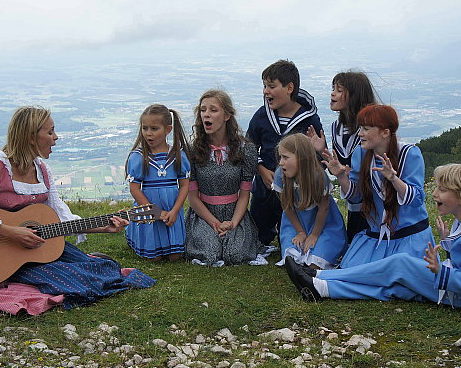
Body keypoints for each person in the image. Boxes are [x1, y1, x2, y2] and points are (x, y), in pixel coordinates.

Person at [0, 106, 155, 312]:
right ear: (30, 136)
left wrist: (103, 228)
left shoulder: (43, 171)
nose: (56, 137)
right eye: (50, 131)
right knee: (76, 282)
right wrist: (11, 231)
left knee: (105, 268)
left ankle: (81, 264)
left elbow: (61, 218)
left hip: (32, 252)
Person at [285, 160, 461, 311]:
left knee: (399, 266)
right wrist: (449, 243)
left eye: (442, 190)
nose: (434, 193)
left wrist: (441, 270)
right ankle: (321, 285)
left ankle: (321, 278)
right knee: (399, 284)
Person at [322, 104, 434, 267]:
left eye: (366, 129)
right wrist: (341, 176)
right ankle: (321, 281)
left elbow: (416, 199)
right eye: (360, 128)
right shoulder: (360, 153)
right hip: (376, 235)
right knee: (354, 269)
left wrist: (394, 179)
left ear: (385, 132)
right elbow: (356, 197)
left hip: (409, 237)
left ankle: (321, 282)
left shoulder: (409, 154)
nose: (360, 133)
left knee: (393, 277)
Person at [247, 59, 323, 248]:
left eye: (271, 86)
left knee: (290, 237)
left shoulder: (309, 119)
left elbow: (318, 156)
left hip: (296, 192)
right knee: (258, 235)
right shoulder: (261, 116)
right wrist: (261, 169)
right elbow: (248, 147)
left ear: (289, 88)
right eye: (264, 86)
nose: (266, 91)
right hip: (265, 188)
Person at [185, 90, 261, 266]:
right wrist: (214, 223)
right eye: (203, 110)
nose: (206, 115)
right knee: (210, 253)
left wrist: (233, 222)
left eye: (213, 110)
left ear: (227, 115)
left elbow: (244, 194)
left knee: (234, 254)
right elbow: (193, 198)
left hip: (235, 213)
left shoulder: (245, 149)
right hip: (203, 214)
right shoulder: (193, 151)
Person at [307, 71, 378, 241]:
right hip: (354, 203)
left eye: (339, 90)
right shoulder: (336, 127)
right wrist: (322, 149)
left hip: (374, 204)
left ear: (354, 96)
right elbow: (339, 168)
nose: (333, 93)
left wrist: (346, 171)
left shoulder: (371, 129)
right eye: (333, 88)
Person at [125, 104, 190, 261]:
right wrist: (154, 212)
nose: (148, 134)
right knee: (154, 258)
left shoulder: (177, 155)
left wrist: (174, 211)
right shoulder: (138, 157)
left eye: (154, 129)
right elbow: (135, 190)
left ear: (168, 129)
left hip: (171, 209)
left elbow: (184, 186)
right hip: (149, 210)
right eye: (145, 128)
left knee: (175, 256)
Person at [273, 134, 347, 269]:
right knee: (293, 257)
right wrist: (300, 232)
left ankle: (316, 262)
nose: (281, 162)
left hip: (323, 223)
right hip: (295, 222)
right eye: (280, 157)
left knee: (317, 259)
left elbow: (324, 208)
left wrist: (314, 235)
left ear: (301, 158)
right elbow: (287, 207)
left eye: (285, 157)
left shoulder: (318, 176)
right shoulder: (280, 175)